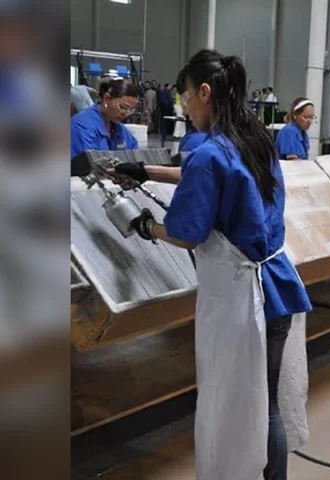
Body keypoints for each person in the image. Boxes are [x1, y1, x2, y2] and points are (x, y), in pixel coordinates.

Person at [125, 49, 312, 480]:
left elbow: (187, 232)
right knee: (266, 405)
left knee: (238, 403)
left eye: (186, 96)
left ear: (204, 92)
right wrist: (147, 171)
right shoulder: (255, 138)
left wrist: (148, 226)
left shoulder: (213, 153)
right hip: (278, 288)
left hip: (243, 300)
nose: (185, 108)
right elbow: (207, 170)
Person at [70, 79, 139, 160]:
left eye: (131, 110)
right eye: (123, 107)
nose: (126, 114)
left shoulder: (119, 129)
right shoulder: (81, 127)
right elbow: (88, 165)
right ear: (106, 98)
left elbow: (134, 155)